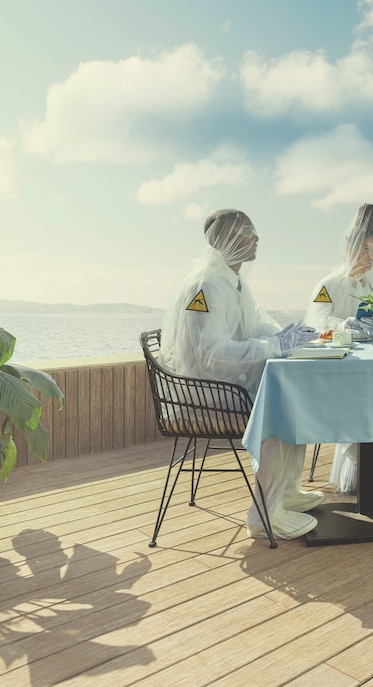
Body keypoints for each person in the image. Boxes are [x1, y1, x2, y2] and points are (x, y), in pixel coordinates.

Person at [160, 208, 325, 540]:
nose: (257, 238)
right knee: (282, 412)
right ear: (227, 238)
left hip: (228, 387)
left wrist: (287, 335)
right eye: (249, 232)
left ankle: (286, 491)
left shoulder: (233, 282)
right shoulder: (204, 287)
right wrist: (272, 346)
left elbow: (258, 322)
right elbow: (211, 353)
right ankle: (264, 514)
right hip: (204, 396)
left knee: (297, 403)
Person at [304, 203, 373, 494]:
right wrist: (344, 325)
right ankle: (360, 466)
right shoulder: (330, 284)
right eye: (365, 249)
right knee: (361, 395)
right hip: (339, 369)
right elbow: (316, 320)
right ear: (349, 248)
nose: (371, 257)